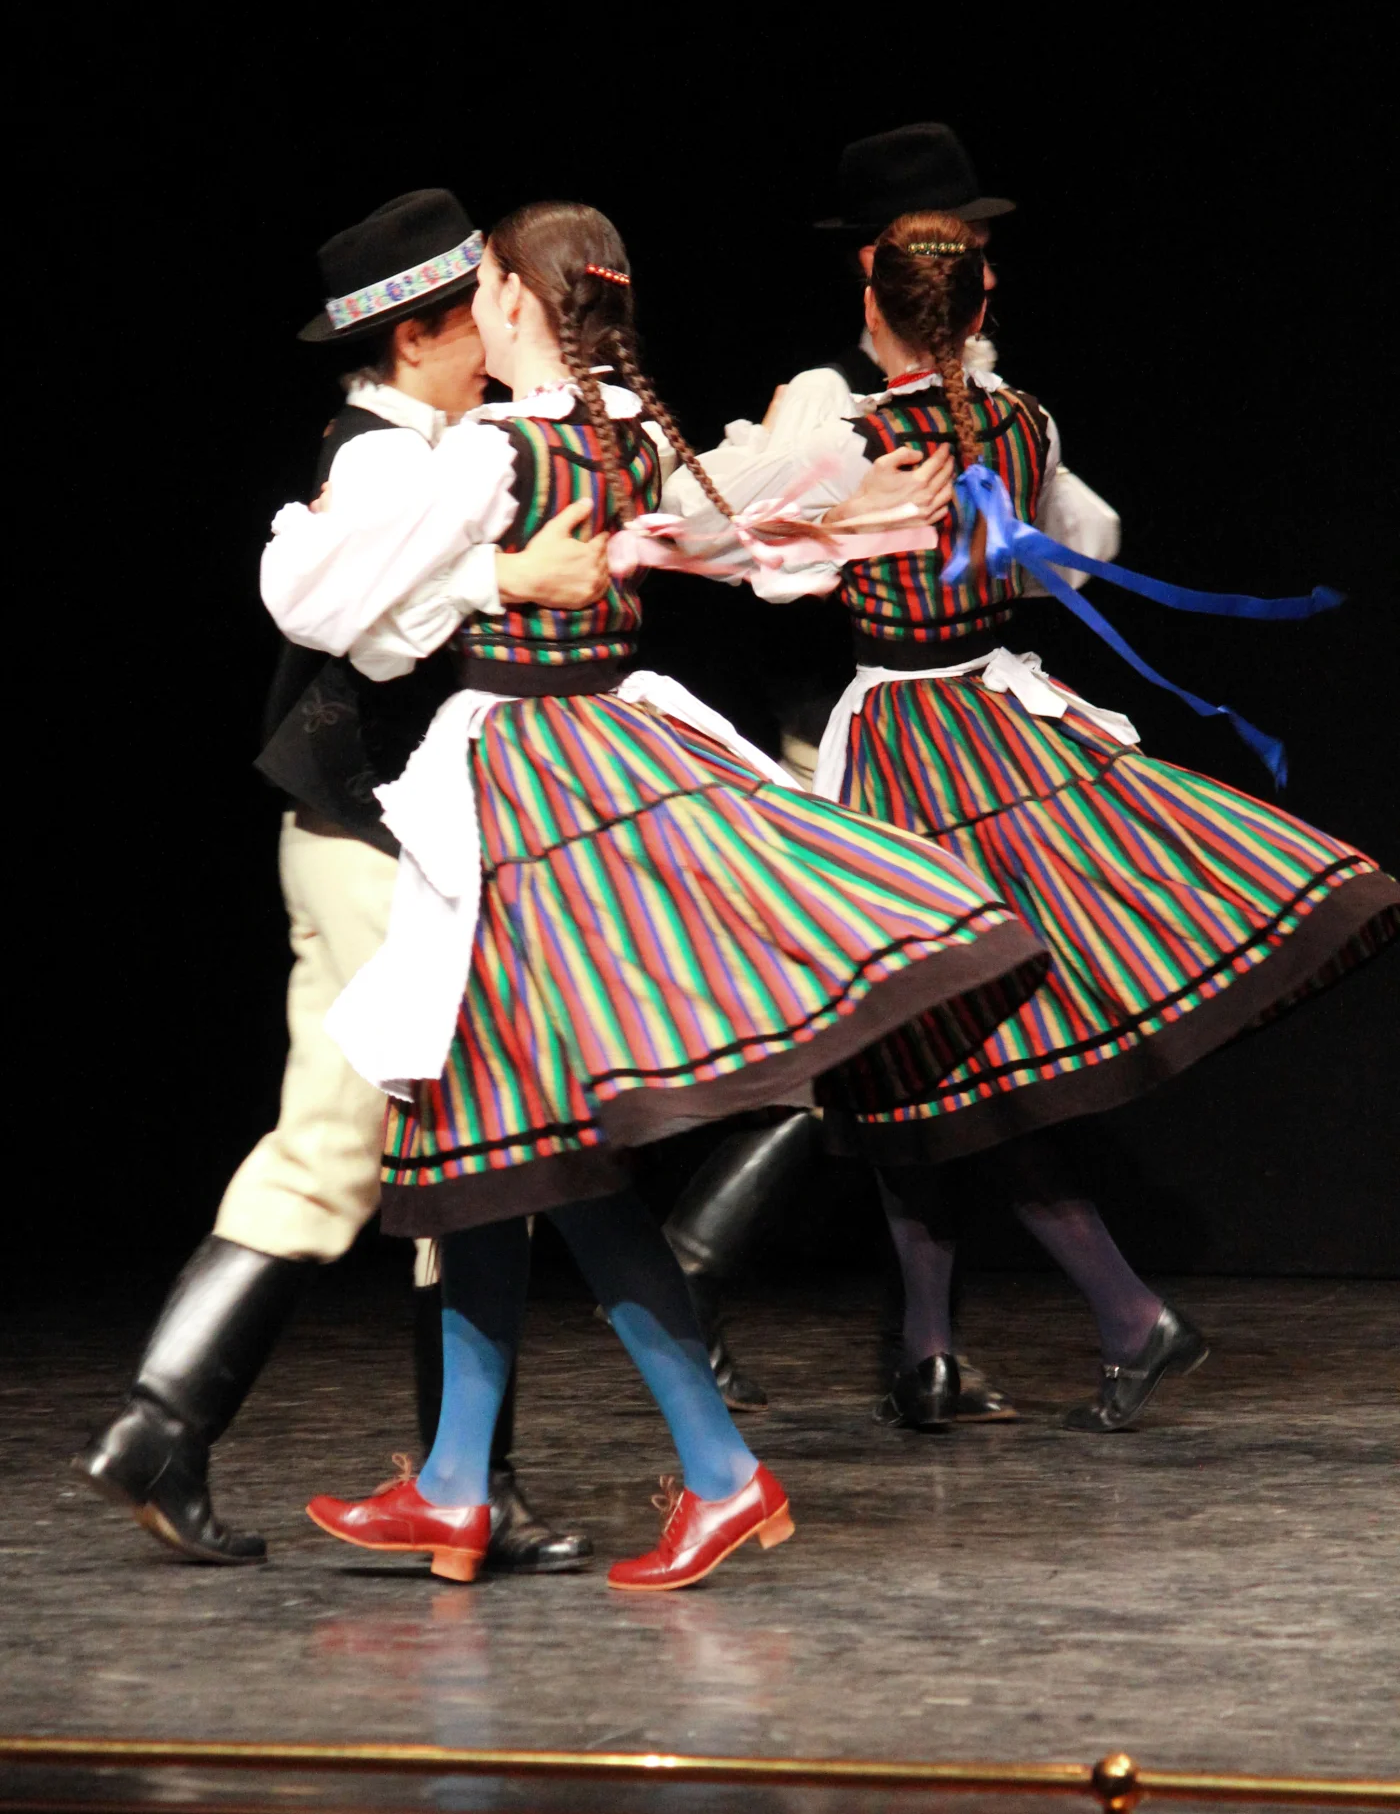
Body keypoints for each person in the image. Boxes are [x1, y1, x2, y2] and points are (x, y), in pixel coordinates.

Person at [263, 199, 1050, 1588]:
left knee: (524, 1135)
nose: (475, 306)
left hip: (531, 781)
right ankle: (458, 1480)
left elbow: (314, 602)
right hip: (597, 764)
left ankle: (715, 1470)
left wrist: (465, 561)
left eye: (486, 284)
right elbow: (727, 544)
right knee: (495, 1134)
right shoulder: (624, 426)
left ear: (517, 304)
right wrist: (830, 524)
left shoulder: (491, 449)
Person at [663, 208, 1399, 1434]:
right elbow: (1079, 544)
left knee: (928, 1053)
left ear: (869, 307)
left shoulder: (846, 433)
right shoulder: (1025, 419)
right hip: (1002, 718)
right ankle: (938, 1350)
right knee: (923, 1059)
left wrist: (819, 506)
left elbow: (718, 546)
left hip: (910, 741)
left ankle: (1100, 1317)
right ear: (980, 306)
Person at [78, 190, 606, 1572]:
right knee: (379, 1150)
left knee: (455, 1158)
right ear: (417, 335)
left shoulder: (443, 447)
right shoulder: (380, 459)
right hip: (365, 842)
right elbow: (348, 629)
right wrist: (506, 579)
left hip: (398, 846)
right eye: (477, 312)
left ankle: (451, 1477)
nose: (499, 331)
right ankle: (185, 1425)